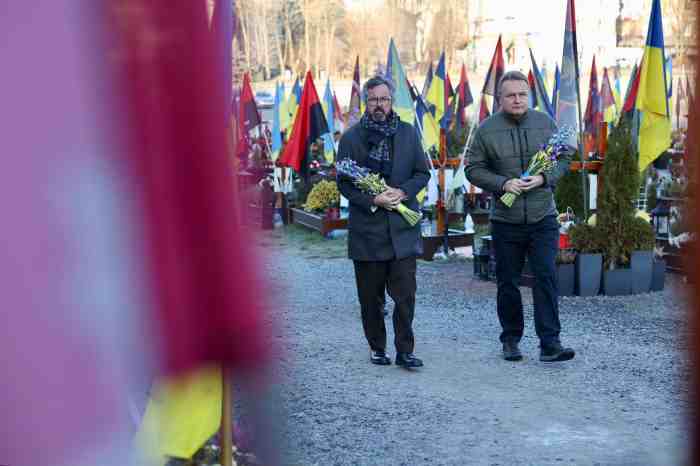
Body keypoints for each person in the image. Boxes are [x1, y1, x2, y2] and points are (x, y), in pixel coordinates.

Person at [465, 70, 576, 363]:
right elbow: (472, 168)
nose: (517, 100)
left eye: (522, 94)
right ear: (500, 99)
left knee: (546, 277)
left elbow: (564, 157)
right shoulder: (487, 130)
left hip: (543, 217)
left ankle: (550, 343)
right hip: (506, 220)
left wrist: (544, 178)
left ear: (529, 96)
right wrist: (502, 183)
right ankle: (511, 340)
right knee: (508, 282)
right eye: (511, 95)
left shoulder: (545, 123)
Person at [336, 75, 430, 368]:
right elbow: (345, 184)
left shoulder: (408, 133)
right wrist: (373, 200)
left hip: (402, 231)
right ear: (367, 101)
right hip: (368, 232)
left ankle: (405, 351)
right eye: (374, 99)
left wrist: (402, 192)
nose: (379, 104)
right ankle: (377, 347)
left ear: (392, 101)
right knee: (371, 299)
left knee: (405, 296)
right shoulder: (351, 138)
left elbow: (422, 173)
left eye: (384, 99)